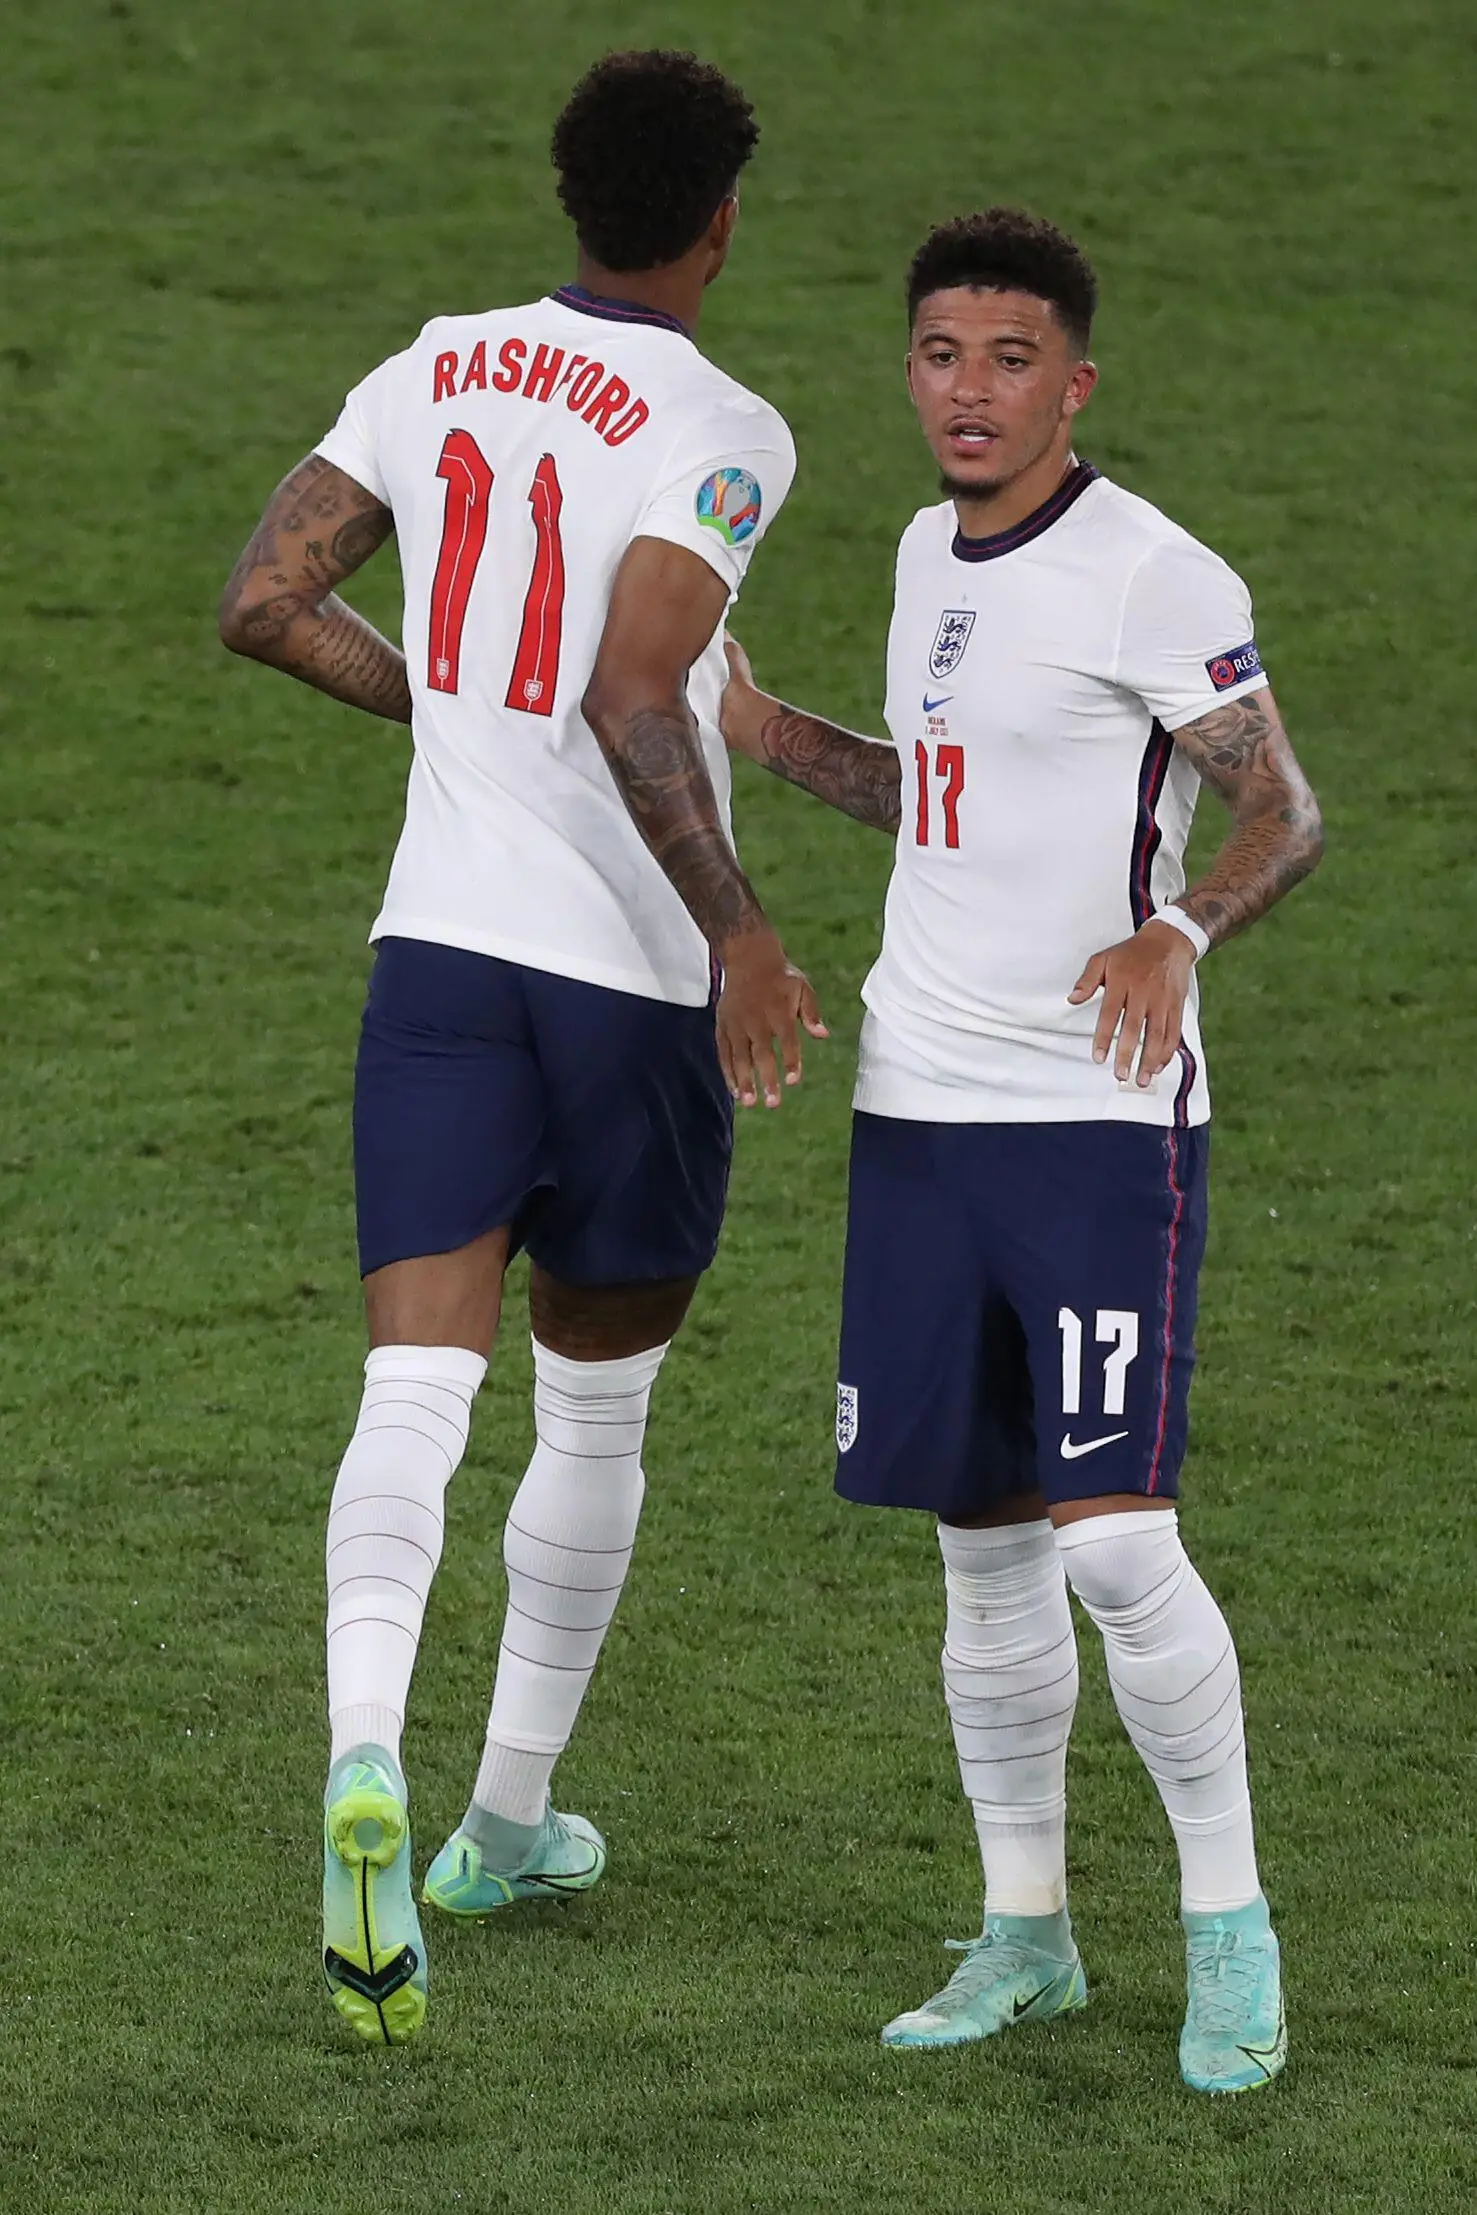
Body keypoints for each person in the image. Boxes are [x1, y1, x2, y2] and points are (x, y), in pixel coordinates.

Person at [218, 48, 823, 2047]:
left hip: (442, 970)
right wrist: (741, 931)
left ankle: (360, 1757)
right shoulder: (723, 428)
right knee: (595, 1412)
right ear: (720, 222)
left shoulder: (435, 364)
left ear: (572, 198)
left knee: (414, 1391)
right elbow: (642, 695)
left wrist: (446, 703)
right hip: (628, 991)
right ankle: (500, 1820)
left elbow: (263, 600)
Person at [719, 206, 1322, 2095]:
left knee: (1117, 1545)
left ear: (1076, 381)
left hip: (1094, 1124)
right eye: (938, 354)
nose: (968, 391)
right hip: (920, 1111)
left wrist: (1180, 930)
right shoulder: (924, 553)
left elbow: (1282, 806)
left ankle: (1230, 1931)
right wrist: (764, 728)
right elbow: (944, 792)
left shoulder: (1151, 570)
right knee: (979, 1545)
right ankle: (1026, 1933)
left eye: (1009, 359)